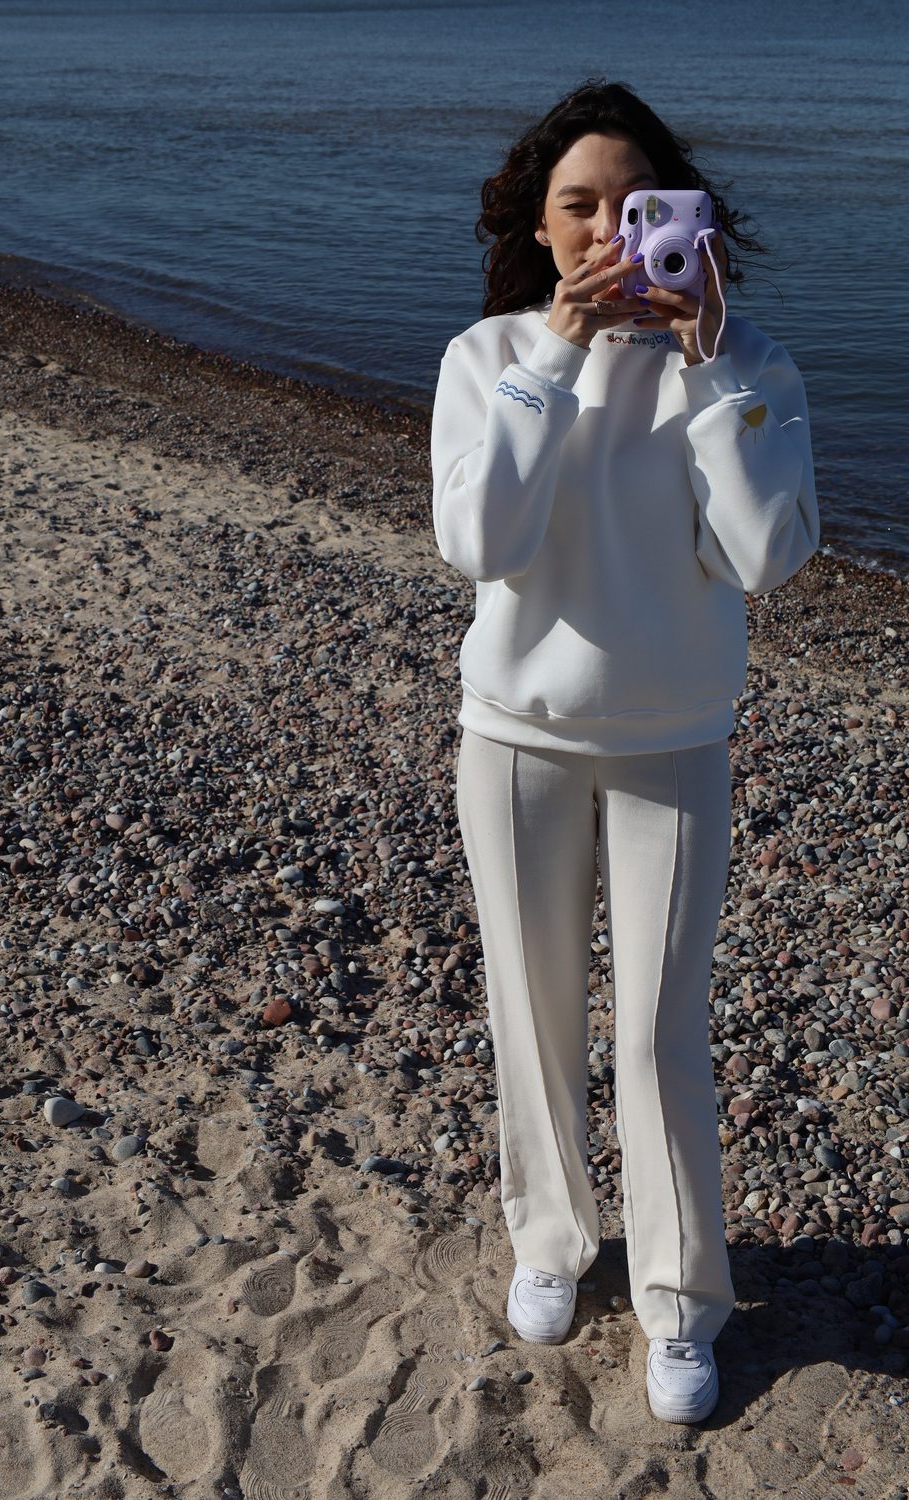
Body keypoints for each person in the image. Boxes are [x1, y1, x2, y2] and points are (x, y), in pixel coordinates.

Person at [429, 79, 818, 1425]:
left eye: (634, 205)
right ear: (540, 228)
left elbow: (765, 556)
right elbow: (484, 544)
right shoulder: (487, 358)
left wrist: (711, 375)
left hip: (676, 740)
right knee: (531, 1012)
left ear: (685, 219)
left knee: (658, 1036)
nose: (609, 232)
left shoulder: (748, 362)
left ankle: (681, 1301)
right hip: (516, 739)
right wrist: (555, 358)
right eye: (580, 207)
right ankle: (550, 1241)